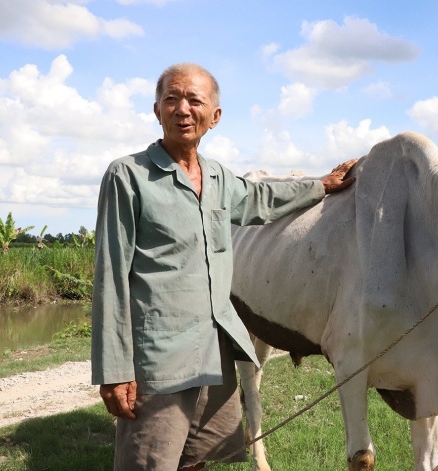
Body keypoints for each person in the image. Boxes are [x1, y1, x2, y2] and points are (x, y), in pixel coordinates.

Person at [91, 63, 355, 470]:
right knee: (150, 461)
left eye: (195, 100)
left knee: (199, 459)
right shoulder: (128, 176)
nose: (183, 109)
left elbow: (262, 198)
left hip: (215, 354)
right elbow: (110, 277)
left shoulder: (216, 177)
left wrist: (321, 185)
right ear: (156, 110)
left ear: (214, 117)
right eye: (172, 99)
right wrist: (114, 370)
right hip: (158, 362)